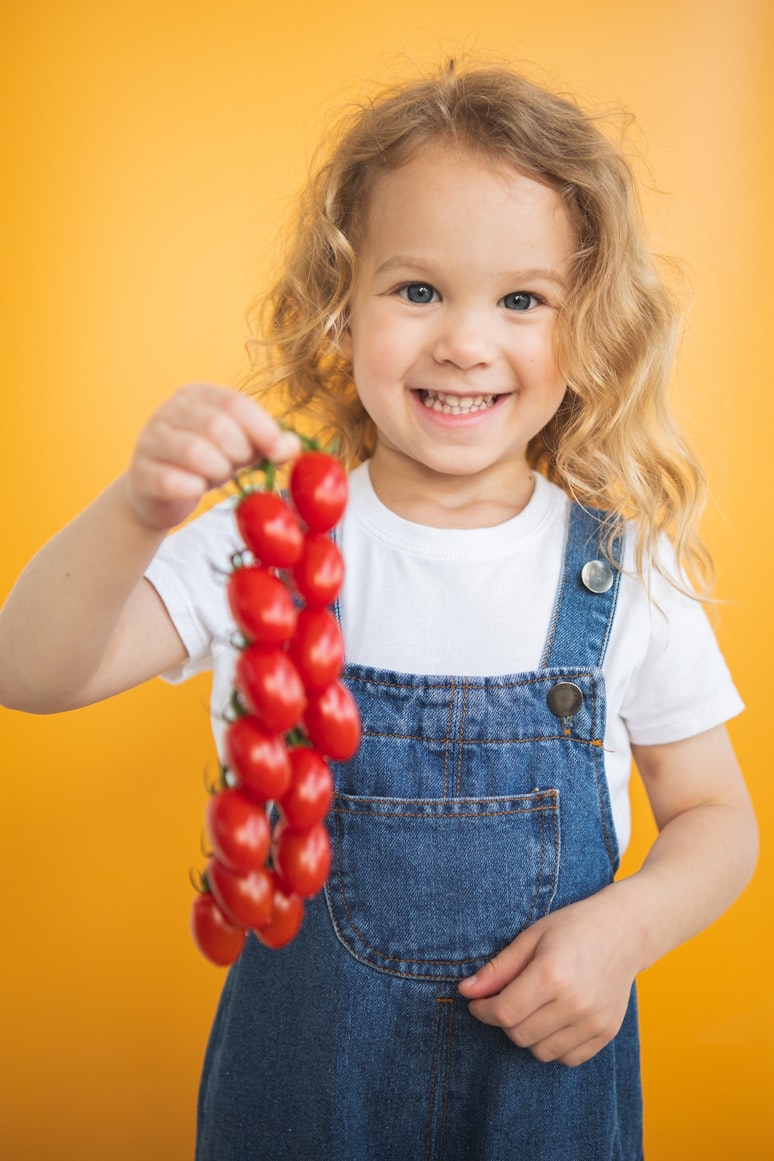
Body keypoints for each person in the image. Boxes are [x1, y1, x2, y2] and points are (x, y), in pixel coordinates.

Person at [0, 62, 758, 1160]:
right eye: (417, 291)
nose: (464, 340)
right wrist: (138, 510)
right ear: (338, 312)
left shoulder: (619, 570)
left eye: (521, 299)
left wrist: (625, 932)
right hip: (302, 1097)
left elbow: (718, 822)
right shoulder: (267, 544)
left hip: (541, 1099)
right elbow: (29, 671)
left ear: (587, 327)